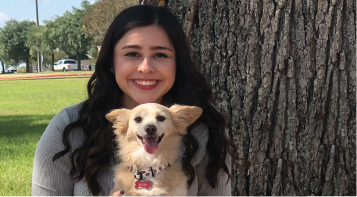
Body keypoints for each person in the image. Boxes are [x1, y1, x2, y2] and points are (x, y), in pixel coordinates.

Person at [32, 4, 238, 196]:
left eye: (160, 55)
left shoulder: (204, 130)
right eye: (132, 53)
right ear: (112, 62)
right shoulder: (68, 129)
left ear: (177, 63)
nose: (145, 67)